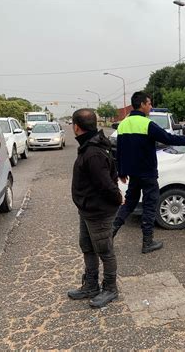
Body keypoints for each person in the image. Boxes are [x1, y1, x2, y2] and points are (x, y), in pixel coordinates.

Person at [112, 91, 185, 253]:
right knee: (149, 205)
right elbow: (169, 139)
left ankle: (110, 234)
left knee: (130, 203)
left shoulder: (123, 124)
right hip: (147, 173)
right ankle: (147, 242)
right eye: (149, 103)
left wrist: (121, 171)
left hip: (133, 174)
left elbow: (120, 151)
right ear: (142, 105)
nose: (151, 106)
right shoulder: (147, 124)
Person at [68, 108, 122, 308]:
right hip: (87, 210)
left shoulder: (93, 152)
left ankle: (110, 288)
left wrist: (117, 198)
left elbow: (106, 184)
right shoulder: (90, 145)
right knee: (88, 247)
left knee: (105, 250)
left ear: (76, 127)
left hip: (99, 212)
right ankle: (90, 285)